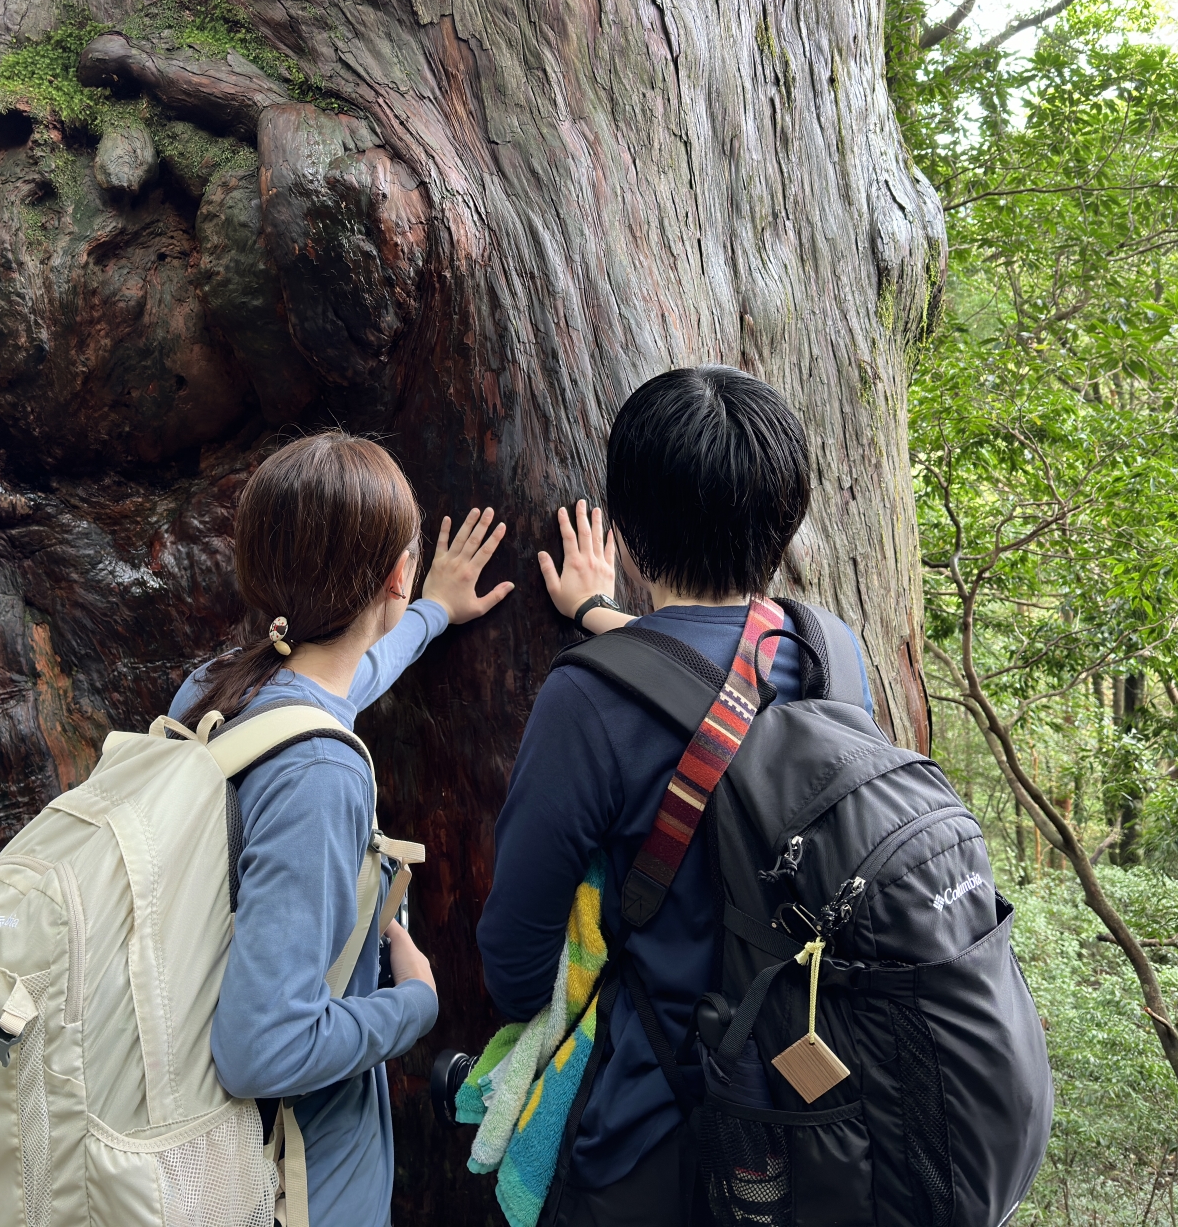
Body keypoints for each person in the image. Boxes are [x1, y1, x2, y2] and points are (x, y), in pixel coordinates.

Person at [478, 366, 877, 1226]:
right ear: (786, 519)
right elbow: (725, 683)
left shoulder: (587, 703)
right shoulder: (834, 656)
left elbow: (515, 962)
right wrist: (601, 616)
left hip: (656, 1145)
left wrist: (598, 624)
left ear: (623, 532)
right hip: (821, 1119)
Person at [169, 431, 515, 1227]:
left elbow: (345, 676)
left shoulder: (218, 688)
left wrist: (432, 613)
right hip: (297, 1183)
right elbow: (262, 1048)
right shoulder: (321, 774)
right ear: (396, 574)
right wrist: (415, 1008)